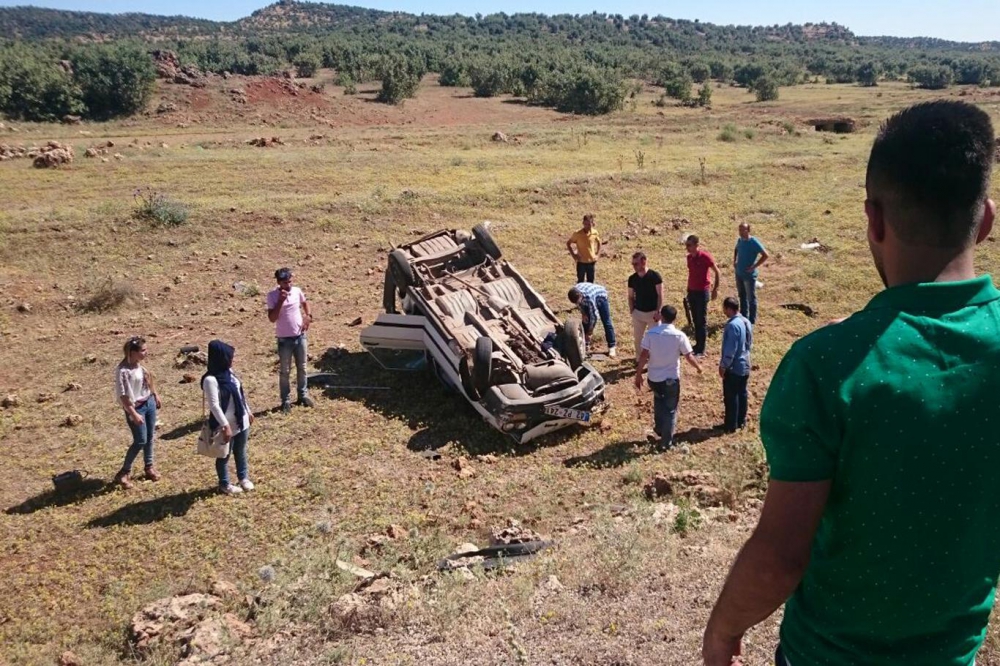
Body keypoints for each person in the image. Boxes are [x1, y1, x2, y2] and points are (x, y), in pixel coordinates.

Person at [703, 100, 1000, 666]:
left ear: (874, 219)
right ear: (985, 220)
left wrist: (722, 631)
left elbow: (781, 555)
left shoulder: (824, 365)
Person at [633, 305, 702, 448]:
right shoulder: (679, 336)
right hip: (671, 379)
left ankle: (659, 429)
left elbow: (644, 355)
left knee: (658, 401)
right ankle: (666, 442)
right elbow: (688, 356)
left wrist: (638, 374)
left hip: (654, 378)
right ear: (675, 318)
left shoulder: (651, 334)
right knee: (670, 410)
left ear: (661, 317)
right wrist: (698, 367)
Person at [201, 340, 255, 495]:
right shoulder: (210, 380)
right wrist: (225, 425)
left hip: (240, 419)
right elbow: (214, 405)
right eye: (229, 357)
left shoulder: (229, 373)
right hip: (226, 423)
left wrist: (248, 410)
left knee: (240, 450)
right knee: (224, 454)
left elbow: (239, 394)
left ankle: (243, 477)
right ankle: (224, 483)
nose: (232, 360)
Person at [112, 336, 162, 489]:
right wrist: (133, 413)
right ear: (132, 352)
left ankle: (149, 467)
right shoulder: (123, 371)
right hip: (136, 408)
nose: (146, 353)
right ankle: (124, 472)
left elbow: (147, 380)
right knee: (140, 440)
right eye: (142, 350)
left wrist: (155, 395)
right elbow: (123, 396)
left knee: (150, 436)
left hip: (149, 403)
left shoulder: (139, 365)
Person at [266, 267, 314, 414]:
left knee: (303, 367)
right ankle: (285, 400)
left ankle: (302, 395)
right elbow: (272, 318)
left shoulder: (297, 291)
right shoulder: (272, 296)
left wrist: (308, 316)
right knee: (285, 371)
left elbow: (305, 302)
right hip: (284, 339)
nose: (288, 285)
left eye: (290, 281)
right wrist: (280, 301)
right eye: (285, 283)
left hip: (300, 336)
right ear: (279, 282)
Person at [718, 296, 752, 433]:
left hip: (734, 366)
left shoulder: (732, 325)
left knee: (731, 396)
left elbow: (730, 349)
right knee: (742, 393)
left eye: (724, 309)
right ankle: (741, 420)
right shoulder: (745, 321)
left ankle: (731, 425)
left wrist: (723, 365)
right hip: (745, 363)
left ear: (728, 308)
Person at [684, 234, 720, 357]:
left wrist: (715, 289)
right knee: (695, 319)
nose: (687, 248)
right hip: (692, 291)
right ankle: (697, 344)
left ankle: (702, 348)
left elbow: (717, 272)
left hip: (702, 292)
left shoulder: (705, 257)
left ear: (696, 245)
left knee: (701, 320)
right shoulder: (689, 258)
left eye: (689, 245)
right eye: (686, 245)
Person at [627, 251, 663, 358]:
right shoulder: (632, 279)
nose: (634, 266)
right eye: (633, 264)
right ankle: (639, 359)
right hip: (638, 313)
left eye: (636, 264)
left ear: (644, 262)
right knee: (638, 339)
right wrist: (632, 309)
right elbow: (630, 296)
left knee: (655, 339)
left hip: (653, 314)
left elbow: (660, 295)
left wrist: (658, 311)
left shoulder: (655, 276)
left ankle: (655, 359)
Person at [567, 282, 617, 358]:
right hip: (587, 295)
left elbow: (594, 317)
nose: (577, 304)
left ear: (580, 295)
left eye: (578, 301)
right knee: (585, 320)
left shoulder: (589, 298)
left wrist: (590, 332)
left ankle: (612, 347)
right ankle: (585, 344)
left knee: (606, 322)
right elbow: (579, 305)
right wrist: (583, 313)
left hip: (601, 296)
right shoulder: (575, 293)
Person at [733, 222, 768, 324]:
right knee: (742, 296)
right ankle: (744, 317)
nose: (740, 232)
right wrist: (735, 260)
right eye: (739, 230)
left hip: (749, 276)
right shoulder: (740, 240)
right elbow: (736, 249)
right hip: (739, 273)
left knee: (751, 298)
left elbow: (765, 255)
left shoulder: (753, 242)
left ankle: (752, 320)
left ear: (748, 230)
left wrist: (754, 266)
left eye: (743, 230)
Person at [566, 213, 601, 283]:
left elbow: (599, 242)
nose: (587, 226)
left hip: (591, 262)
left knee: (590, 282)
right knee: (580, 282)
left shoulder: (595, 232)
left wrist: (597, 255)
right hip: (581, 262)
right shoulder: (577, 234)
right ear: (583, 223)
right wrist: (574, 255)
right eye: (586, 224)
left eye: (589, 224)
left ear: (592, 223)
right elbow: (568, 243)